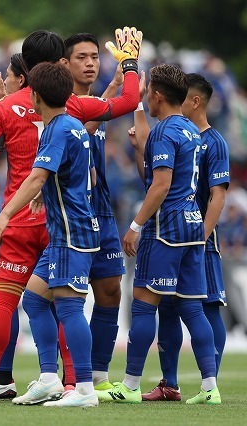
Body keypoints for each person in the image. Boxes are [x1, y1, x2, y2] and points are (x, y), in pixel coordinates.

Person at [0, 28, 140, 404]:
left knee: (11, 301)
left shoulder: (8, 108)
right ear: (61, 63)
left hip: (45, 224)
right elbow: (125, 103)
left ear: (23, 67)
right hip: (58, 221)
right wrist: (129, 65)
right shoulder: (75, 107)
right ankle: (60, 380)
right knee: (45, 301)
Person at [97, 64, 220, 405]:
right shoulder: (190, 131)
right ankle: (210, 388)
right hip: (194, 228)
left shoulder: (166, 131)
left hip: (166, 230)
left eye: (147, 90)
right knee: (193, 310)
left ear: (158, 95)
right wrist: (133, 78)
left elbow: (160, 185)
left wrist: (135, 226)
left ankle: (131, 385)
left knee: (143, 304)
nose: (145, 96)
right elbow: (152, 162)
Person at [0, 61, 100, 407]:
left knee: (69, 307)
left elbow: (36, 175)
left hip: (70, 232)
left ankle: (84, 390)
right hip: (65, 229)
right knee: (34, 299)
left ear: (35, 94)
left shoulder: (56, 129)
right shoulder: (72, 125)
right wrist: (42, 193)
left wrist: (4, 214)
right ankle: (50, 378)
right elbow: (80, 175)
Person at [141, 73, 230, 402]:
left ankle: (212, 382)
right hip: (175, 234)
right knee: (167, 305)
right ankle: (170, 383)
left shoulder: (214, 141)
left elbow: (217, 196)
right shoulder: (179, 136)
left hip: (199, 238)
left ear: (195, 101)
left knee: (206, 307)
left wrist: (202, 236)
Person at [60, 33, 130, 391]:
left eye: (93, 57)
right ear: (64, 64)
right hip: (72, 214)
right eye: (81, 57)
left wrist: (114, 83)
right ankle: (71, 377)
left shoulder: (91, 103)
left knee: (110, 290)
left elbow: (97, 115)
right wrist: (123, 83)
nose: (90, 63)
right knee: (66, 297)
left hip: (101, 212)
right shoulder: (64, 105)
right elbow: (87, 122)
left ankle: (99, 375)